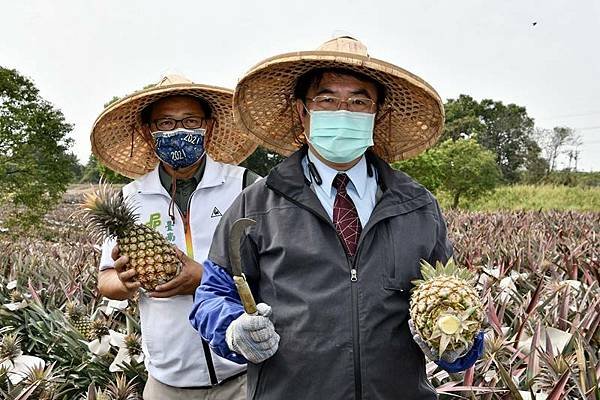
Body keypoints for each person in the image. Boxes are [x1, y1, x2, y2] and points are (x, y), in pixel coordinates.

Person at [190, 38, 484, 399]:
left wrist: (460, 346)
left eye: (360, 101)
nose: (343, 111)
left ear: (376, 115)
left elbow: (454, 302)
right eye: (327, 99)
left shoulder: (418, 206)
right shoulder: (256, 204)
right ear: (303, 112)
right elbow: (212, 294)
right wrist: (234, 328)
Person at [91, 75, 259, 399]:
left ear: (208, 127)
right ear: (148, 131)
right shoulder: (129, 198)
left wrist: (205, 278)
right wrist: (125, 283)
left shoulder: (246, 186)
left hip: (243, 373)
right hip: (167, 381)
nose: (178, 131)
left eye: (190, 121)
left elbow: (279, 267)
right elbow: (105, 280)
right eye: (165, 123)